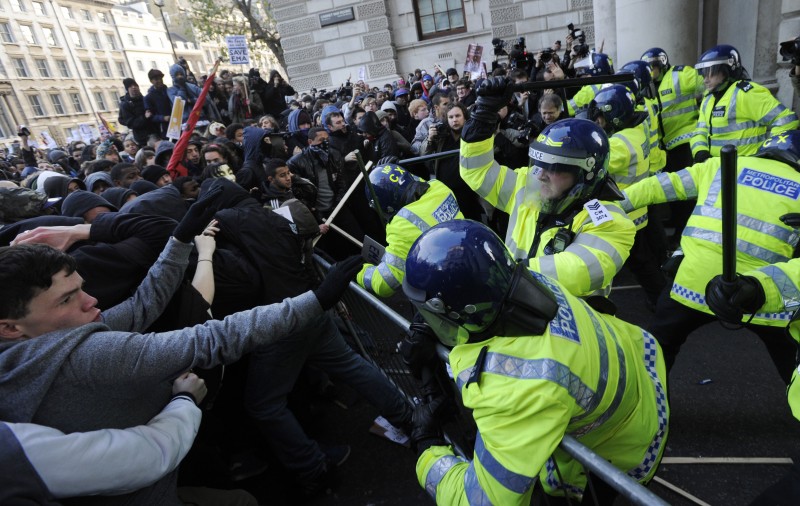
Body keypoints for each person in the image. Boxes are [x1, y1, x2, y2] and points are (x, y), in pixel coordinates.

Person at [0, 187, 362, 505]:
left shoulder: (52, 339)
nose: (91, 301)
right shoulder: (85, 357)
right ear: (10, 327)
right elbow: (213, 338)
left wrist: (181, 238)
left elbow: (144, 303)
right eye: (67, 299)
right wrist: (313, 301)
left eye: (81, 288)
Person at [404, 220, 668, 505]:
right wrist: (435, 323)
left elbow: (482, 500)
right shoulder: (530, 281)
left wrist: (429, 448)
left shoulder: (516, 390)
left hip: (622, 445)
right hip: (642, 373)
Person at [619, 131, 800, 381]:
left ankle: (647, 402)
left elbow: (656, 187)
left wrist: (606, 207)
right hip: (760, 293)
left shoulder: (717, 166)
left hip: (692, 284)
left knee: (656, 350)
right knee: (792, 362)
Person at [459, 77, 635, 299]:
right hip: (516, 305)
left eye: (555, 168)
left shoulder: (611, 221)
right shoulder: (527, 186)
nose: (540, 175)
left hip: (565, 317)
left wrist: (504, 273)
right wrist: (483, 117)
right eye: (539, 164)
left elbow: (579, 270)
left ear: (585, 174)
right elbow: (477, 171)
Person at [0, 372, 216, 504]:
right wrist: (185, 400)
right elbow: (145, 456)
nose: (90, 307)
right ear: (10, 329)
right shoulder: (10, 450)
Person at [589, 84, 667, 308]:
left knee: (641, 265)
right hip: (636, 210)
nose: (598, 121)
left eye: (600, 116)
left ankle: (662, 304)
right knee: (644, 262)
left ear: (613, 116)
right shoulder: (635, 132)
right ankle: (661, 299)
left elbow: (592, 164)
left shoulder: (619, 144)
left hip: (624, 214)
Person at [357, 163, 462, 297]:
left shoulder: (402, 224)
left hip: (444, 284)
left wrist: (360, 272)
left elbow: (385, 282)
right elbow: (417, 181)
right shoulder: (439, 187)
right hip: (466, 255)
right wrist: (393, 168)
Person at [691, 44, 799, 161]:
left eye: (711, 73)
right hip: (715, 165)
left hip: (746, 166)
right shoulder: (708, 99)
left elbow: (786, 119)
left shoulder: (745, 93)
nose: (706, 79)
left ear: (726, 70)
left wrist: (770, 151)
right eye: (704, 73)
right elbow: (700, 131)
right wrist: (700, 152)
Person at [118, 78, 160, 146]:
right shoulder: (125, 104)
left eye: (135, 85)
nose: (134, 87)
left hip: (156, 133)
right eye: (130, 86)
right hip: (143, 138)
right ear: (127, 89)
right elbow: (130, 122)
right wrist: (144, 117)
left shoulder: (146, 99)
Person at [144, 69, 173, 139]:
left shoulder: (169, 91)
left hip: (177, 123)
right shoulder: (148, 98)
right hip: (164, 129)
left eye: (161, 79)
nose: (159, 81)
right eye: (156, 79)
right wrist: (163, 118)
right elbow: (150, 117)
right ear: (151, 81)